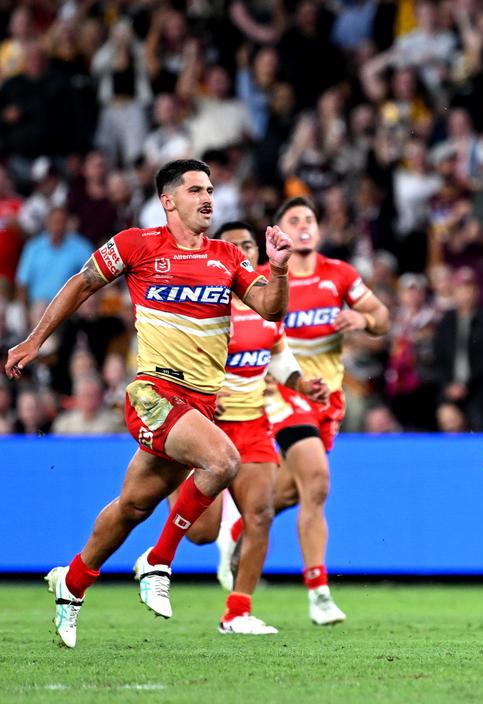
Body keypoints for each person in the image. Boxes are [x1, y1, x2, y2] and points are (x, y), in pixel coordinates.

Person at [5, 158, 293, 648]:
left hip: (197, 406)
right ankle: (158, 561)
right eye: (196, 190)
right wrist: (36, 341)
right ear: (168, 200)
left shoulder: (226, 255)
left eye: (211, 190)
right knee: (224, 460)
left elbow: (269, 307)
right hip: (154, 393)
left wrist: (280, 268)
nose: (208, 199)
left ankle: (70, 584)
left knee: (133, 508)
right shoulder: (136, 245)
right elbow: (81, 283)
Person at [163, 221, 328, 635]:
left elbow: (279, 356)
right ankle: (169, 478)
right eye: (232, 246)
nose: (241, 252)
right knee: (201, 533)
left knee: (261, 514)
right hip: (207, 424)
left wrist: (302, 384)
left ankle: (238, 611)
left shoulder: (267, 307)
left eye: (248, 245)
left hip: (252, 423)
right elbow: (172, 358)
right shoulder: (205, 306)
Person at [263, 197, 390, 625]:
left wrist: (362, 321)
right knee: (317, 481)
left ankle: (243, 525)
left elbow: (383, 317)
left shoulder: (339, 274)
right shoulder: (266, 281)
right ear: (278, 232)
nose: (303, 226)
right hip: (284, 393)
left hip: (328, 398)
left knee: (297, 490)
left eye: (309, 219)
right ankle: (318, 592)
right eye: (293, 219)